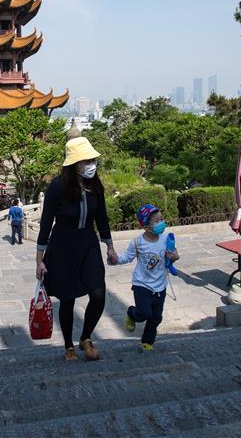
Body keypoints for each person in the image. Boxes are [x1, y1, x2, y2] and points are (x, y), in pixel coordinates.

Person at [36, 137, 117, 361]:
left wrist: (109, 246)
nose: (91, 164)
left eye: (92, 159)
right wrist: (39, 259)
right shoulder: (57, 186)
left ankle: (86, 337)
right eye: (86, 160)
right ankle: (68, 346)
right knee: (67, 298)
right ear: (75, 163)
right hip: (63, 246)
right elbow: (46, 223)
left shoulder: (94, 184)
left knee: (98, 293)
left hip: (88, 243)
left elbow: (102, 217)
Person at [111, 204, 180, 351]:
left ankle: (147, 342)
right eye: (156, 221)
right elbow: (127, 257)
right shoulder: (138, 242)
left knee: (156, 317)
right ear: (145, 226)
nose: (161, 223)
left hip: (160, 285)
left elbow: (174, 254)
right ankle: (131, 313)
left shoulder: (166, 238)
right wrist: (116, 259)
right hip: (142, 284)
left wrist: (175, 257)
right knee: (144, 313)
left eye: (161, 219)